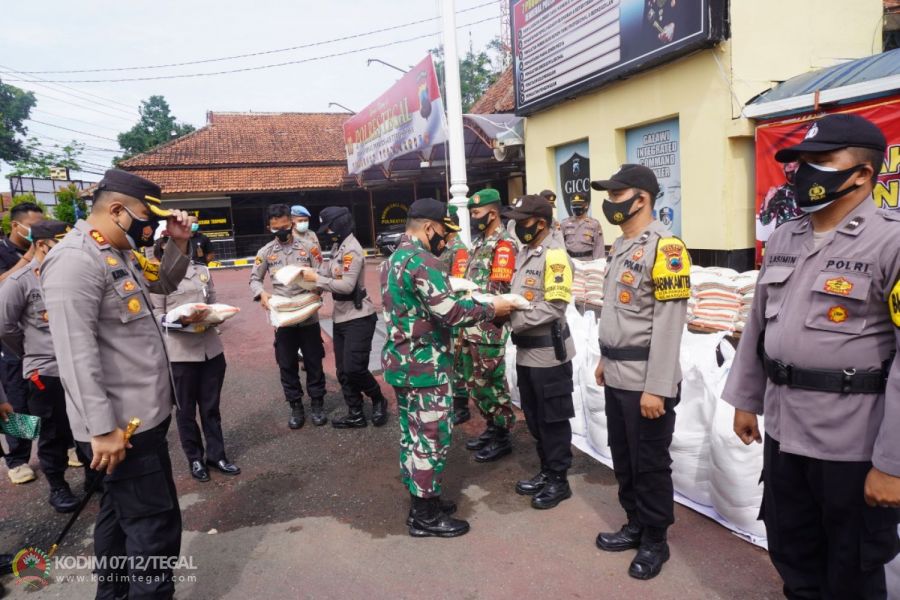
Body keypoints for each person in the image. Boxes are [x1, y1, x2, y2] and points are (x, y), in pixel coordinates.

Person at [722, 114, 900, 598]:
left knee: (853, 568)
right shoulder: (784, 237)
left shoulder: (891, 240)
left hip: (852, 443)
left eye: (821, 161)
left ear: (863, 173)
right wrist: (745, 399)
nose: (805, 172)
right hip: (784, 432)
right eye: (801, 162)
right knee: (793, 553)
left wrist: (892, 463)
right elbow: (758, 325)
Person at [41, 169, 194, 598]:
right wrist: (101, 429)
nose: (150, 226)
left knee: (117, 517)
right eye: (146, 216)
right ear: (116, 210)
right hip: (119, 430)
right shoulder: (75, 260)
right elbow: (74, 353)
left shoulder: (116, 251)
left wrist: (178, 241)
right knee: (154, 530)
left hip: (138, 423)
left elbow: (162, 282)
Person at [381, 197, 516, 538]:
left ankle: (423, 501)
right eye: (443, 230)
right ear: (429, 227)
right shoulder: (423, 261)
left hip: (402, 362)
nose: (445, 238)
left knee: (412, 436)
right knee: (431, 438)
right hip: (425, 368)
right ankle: (424, 517)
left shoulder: (394, 259)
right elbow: (450, 313)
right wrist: (493, 308)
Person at [590, 164, 690, 581]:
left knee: (649, 463)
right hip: (617, 372)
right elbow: (616, 312)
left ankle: (654, 539)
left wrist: (658, 388)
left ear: (642, 199)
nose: (610, 203)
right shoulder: (620, 246)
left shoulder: (666, 249)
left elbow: (669, 324)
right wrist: (603, 358)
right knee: (624, 456)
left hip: (646, 381)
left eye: (617, 195)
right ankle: (634, 522)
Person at [0, 219, 83, 512]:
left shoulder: (69, 272)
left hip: (69, 363)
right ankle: (19, 460)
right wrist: (25, 352)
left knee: (69, 422)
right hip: (28, 360)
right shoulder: (11, 264)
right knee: (24, 414)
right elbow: (5, 327)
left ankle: (87, 469)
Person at [503, 195, 577, 510]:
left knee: (553, 420)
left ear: (541, 223)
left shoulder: (555, 256)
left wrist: (512, 317)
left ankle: (559, 480)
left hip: (549, 353)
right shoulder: (525, 254)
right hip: (526, 354)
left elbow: (554, 305)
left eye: (523, 221)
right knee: (534, 418)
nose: (517, 227)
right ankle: (546, 471)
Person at [151, 251, 240, 482]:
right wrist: (179, 320)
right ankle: (195, 459)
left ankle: (217, 456)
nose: (183, 252)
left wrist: (217, 315)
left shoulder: (202, 271)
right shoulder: (158, 274)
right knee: (186, 411)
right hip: (180, 354)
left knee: (211, 408)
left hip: (210, 350)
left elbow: (212, 301)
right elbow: (156, 314)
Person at [302, 206, 388, 428]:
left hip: (359, 316)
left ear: (339, 224)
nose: (327, 231)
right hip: (340, 316)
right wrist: (309, 277)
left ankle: (378, 399)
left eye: (329, 226)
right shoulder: (337, 246)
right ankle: (355, 412)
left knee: (354, 368)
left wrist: (317, 281)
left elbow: (347, 285)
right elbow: (329, 273)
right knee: (343, 371)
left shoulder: (352, 250)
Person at [250, 203, 326, 429]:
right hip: (283, 318)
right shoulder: (266, 253)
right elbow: (254, 279)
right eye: (276, 229)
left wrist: (315, 285)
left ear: (291, 223)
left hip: (308, 315)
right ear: (269, 227)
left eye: (285, 226)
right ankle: (295, 406)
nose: (282, 232)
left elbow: (322, 275)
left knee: (313, 361)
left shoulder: (309, 247)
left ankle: (318, 404)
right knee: (287, 364)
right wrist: (261, 293)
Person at [460, 188, 518, 462]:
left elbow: (499, 288)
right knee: (475, 382)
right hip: (471, 325)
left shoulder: (503, 244)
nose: (473, 218)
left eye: (477, 213)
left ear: (492, 213)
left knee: (491, 381)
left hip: (489, 327)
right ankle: (491, 427)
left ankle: (503, 434)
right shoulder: (478, 243)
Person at [0, 201, 44, 485]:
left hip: (38, 335)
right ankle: (17, 459)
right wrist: (27, 258)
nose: (38, 231)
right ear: (17, 226)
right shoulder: (4, 251)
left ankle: (62, 445)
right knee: (17, 400)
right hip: (9, 338)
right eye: (34, 226)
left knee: (46, 394)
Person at [438, 209, 471, 425]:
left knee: (458, 360)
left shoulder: (458, 249)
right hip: (443, 310)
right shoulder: (443, 248)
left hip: (454, 310)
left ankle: (461, 406)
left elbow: (458, 283)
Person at [561, 193, 605, 259]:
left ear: (586, 205)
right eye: (574, 205)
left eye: (579, 205)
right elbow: (560, 244)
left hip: (588, 262)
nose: (576, 207)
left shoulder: (594, 224)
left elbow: (599, 246)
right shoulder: (564, 223)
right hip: (569, 260)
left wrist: (598, 264)